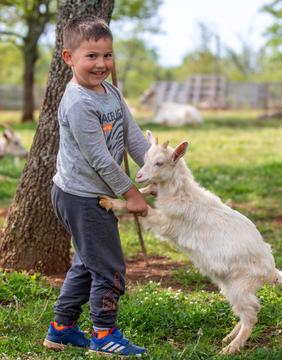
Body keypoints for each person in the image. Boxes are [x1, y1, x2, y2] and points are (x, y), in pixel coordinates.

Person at [42, 15, 149, 356]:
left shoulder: (110, 91)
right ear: (69, 58)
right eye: (91, 56)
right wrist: (131, 193)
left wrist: (156, 170)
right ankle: (103, 336)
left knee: (87, 264)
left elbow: (132, 136)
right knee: (109, 268)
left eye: (107, 55)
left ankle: (61, 330)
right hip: (81, 197)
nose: (101, 64)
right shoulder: (78, 102)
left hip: (89, 193)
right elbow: (101, 161)